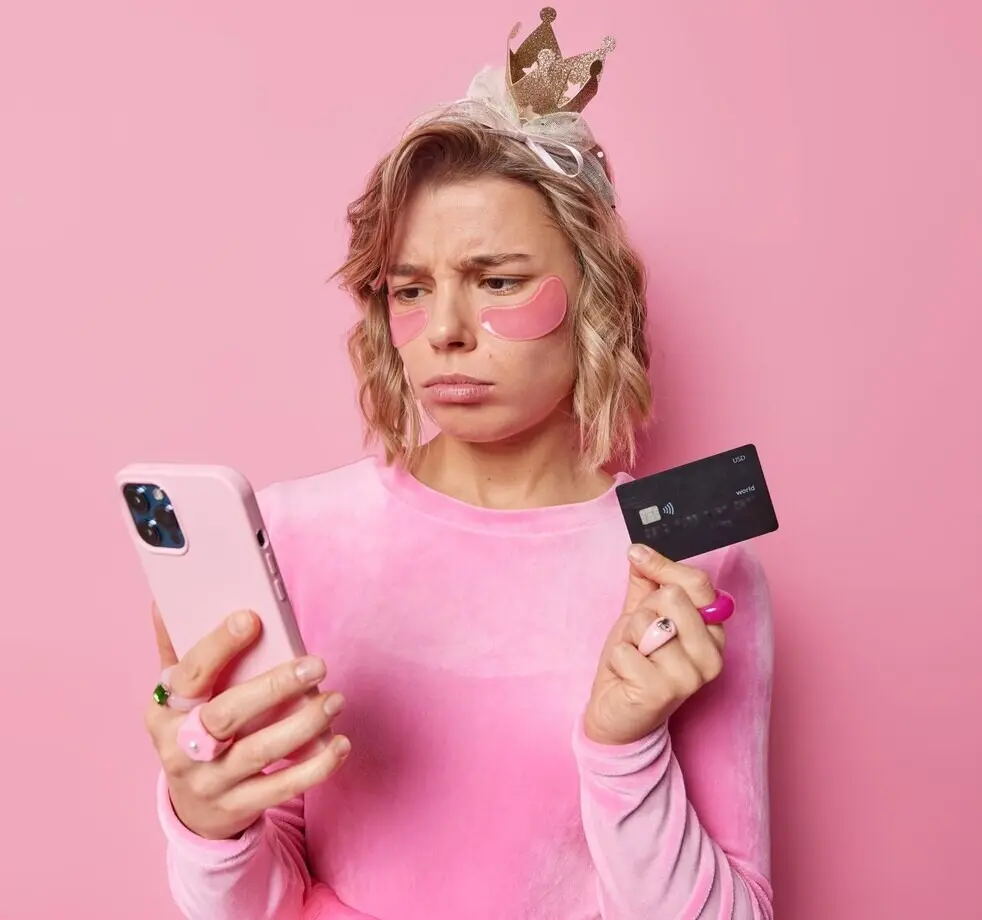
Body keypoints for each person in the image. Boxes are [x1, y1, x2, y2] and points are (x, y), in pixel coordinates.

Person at [142, 10, 774, 919]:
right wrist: (210, 825)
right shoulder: (289, 533)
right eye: (411, 289)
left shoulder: (693, 565)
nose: (442, 331)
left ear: (596, 295)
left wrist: (625, 751)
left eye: (498, 281)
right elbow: (256, 904)